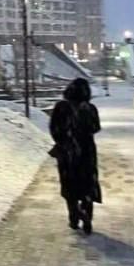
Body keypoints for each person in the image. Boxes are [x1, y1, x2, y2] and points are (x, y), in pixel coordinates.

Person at [49, 78, 102, 234]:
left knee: (69, 183)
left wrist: (63, 140)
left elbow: (54, 128)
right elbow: (95, 128)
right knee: (87, 183)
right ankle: (86, 213)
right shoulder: (90, 108)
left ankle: (74, 216)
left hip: (67, 151)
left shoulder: (61, 107)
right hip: (86, 151)